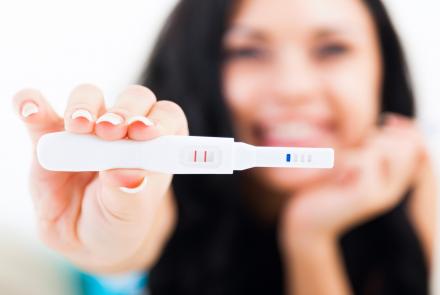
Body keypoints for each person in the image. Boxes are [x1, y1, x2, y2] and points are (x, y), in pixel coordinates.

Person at [12, 0, 437, 294]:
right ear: (198, 69)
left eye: (332, 49)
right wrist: (110, 232)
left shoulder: (408, 181)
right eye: (246, 51)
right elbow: (127, 241)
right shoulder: (158, 184)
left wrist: (310, 239)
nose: (293, 87)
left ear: (383, 68)